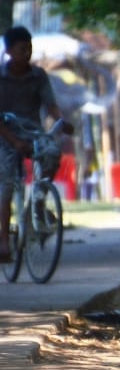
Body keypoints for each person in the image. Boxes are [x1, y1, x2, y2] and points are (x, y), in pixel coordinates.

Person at [0, 26, 74, 262]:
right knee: (8, 184)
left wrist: (61, 120)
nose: (27, 53)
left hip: (32, 131)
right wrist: (14, 140)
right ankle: (3, 239)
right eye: (23, 49)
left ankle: (39, 203)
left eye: (30, 48)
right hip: (5, 135)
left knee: (51, 152)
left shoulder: (38, 75)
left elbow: (50, 104)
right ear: (10, 51)